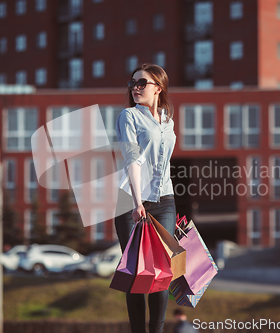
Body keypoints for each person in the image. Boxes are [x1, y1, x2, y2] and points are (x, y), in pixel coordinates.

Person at [114, 63, 177, 333]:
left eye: (142, 83)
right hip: (130, 200)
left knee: (162, 271)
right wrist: (138, 201)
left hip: (164, 200)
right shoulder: (128, 116)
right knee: (137, 273)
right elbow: (132, 160)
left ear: (158, 89)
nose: (136, 88)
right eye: (133, 83)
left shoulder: (168, 120)